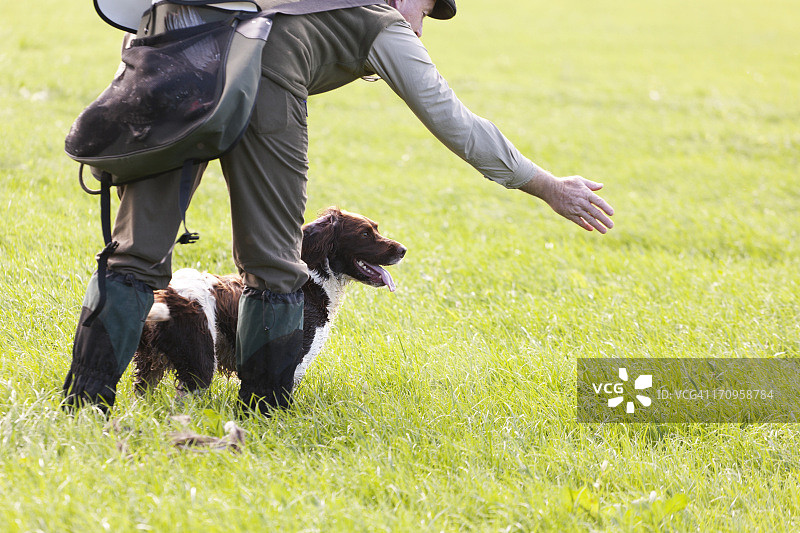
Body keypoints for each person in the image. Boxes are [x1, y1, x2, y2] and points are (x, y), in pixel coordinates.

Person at [63, 0, 614, 415]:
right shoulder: (379, 19)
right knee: (274, 263)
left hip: (170, 48)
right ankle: (264, 410)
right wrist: (547, 185)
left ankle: (84, 404)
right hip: (263, 73)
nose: (421, 27)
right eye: (424, 9)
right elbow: (456, 122)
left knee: (133, 253)